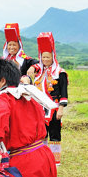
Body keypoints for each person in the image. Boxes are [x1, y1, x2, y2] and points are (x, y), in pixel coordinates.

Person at [27, 32, 68, 166]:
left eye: (48, 57)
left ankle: (55, 160)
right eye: (43, 57)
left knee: (55, 132)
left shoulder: (59, 73)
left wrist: (61, 109)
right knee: (42, 133)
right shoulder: (39, 73)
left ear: (53, 57)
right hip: (40, 108)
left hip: (54, 107)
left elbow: (63, 92)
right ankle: (44, 157)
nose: (45, 59)